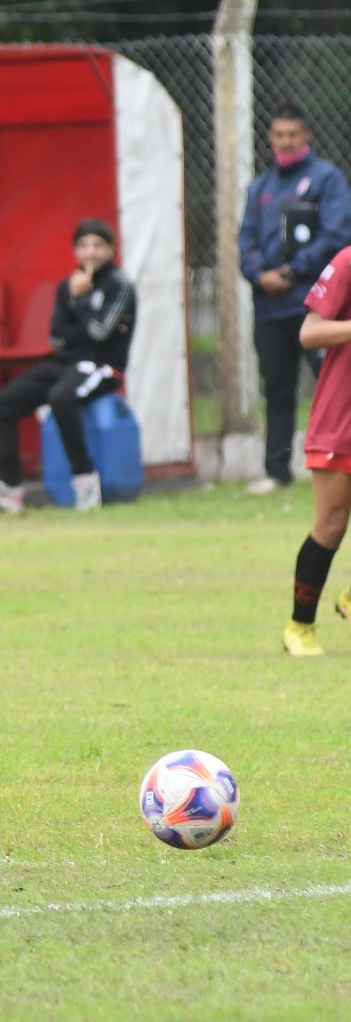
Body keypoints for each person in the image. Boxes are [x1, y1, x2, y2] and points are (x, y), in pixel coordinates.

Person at [0, 218, 137, 514]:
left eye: (98, 245)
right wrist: (78, 306)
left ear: (110, 250)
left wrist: (82, 301)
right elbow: (57, 337)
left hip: (103, 366)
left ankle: (85, 481)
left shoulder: (119, 286)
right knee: (1, 404)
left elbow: (100, 334)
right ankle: (9, 486)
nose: (90, 253)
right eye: (84, 246)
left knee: (61, 397)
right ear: (75, 251)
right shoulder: (67, 287)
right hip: (67, 362)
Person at [239, 101, 351, 495]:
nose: (285, 142)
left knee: (337, 383)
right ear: (269, 138)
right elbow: (246, 239)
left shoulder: (327, 180)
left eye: (292, 135)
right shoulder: (260, 187)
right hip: (270, 307)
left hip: (316, 304)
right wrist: (260, 274)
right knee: (277, 388)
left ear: (306, 136)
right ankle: (277, 471)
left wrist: (293, 270)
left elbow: (336, 235)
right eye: (278, 135)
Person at [280, 244, 351, 655]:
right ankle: (300, 627)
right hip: (341, 418)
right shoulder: (346, 263)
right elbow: (311, 332)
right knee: (331, 525)